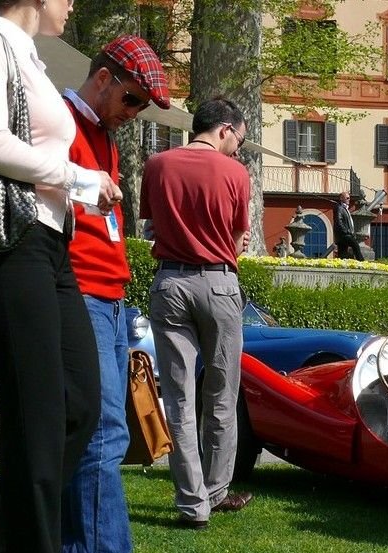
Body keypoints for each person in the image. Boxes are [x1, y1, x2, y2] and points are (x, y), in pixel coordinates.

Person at [0, 2, 123, 551]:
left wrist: (77, 189)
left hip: (50, 245)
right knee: (40, 420)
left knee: (80, 408)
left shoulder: (33, 59)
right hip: (4, 247)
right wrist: (80, 178)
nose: (72, 4)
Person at [60, 35, 170, 553]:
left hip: (108, 296)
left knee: (92, 430)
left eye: (142, 105)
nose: (135, 111)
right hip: (80, 291)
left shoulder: (104, 134)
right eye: (132, 98)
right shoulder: (62, 121)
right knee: (105, 431)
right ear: (103, 78)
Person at [140, 97, 253, 530]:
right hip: (219, 283)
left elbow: (151, 224)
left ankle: (192, 504)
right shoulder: (235, 174)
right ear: (224, 129)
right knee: (222, 396)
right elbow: (239, 237)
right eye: (238, 140)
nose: (237, 150)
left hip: (170, 282)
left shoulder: (157, 164)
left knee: (180, 397)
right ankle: (216, 491)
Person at [334, 191, 363, 260]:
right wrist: (347, 232)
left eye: (349, 198)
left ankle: (342, 267)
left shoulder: (344, 208)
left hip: (343, 235)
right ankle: (361, 261)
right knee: (355, 244)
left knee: (342, 254)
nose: (349, 199)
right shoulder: (339, 208)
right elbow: (339, 222)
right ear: (341, 198)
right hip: (344, 235)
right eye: (347, 198)